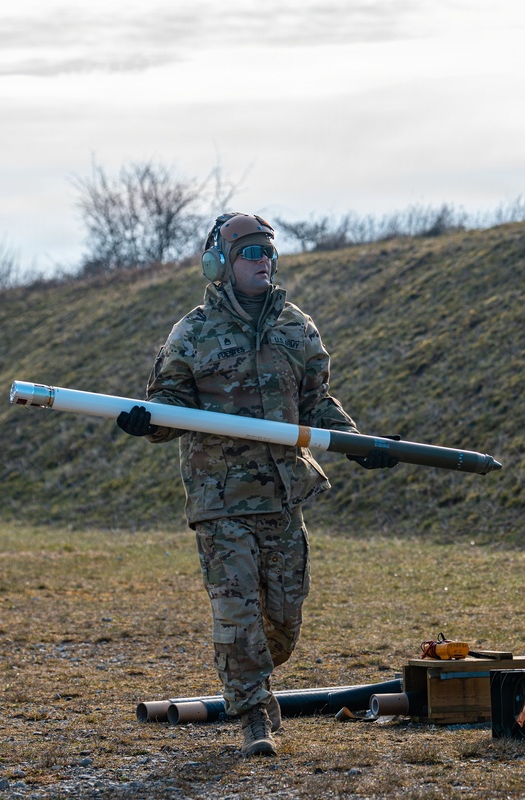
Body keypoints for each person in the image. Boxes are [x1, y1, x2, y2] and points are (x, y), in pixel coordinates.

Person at [116, 212, 397, 756]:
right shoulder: (192, 331)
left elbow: (316, 402)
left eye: (268, 251)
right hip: (220, 500)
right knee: (238, 612)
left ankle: (246, 671)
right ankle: (253, 719)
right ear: (219, 263)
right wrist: (146, 418)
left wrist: (355, 443)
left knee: (282, 623)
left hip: (284, 494)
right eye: (249, 252)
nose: (262, 260)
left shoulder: (297, 327)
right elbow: (170, 404)